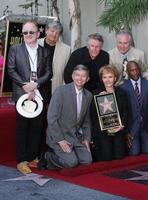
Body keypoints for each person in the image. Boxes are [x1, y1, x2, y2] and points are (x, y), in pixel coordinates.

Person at [7, 20, 52, 174]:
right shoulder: (15, 49)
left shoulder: (45, 52)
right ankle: (21, 160)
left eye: (31, 32)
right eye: (25, 32)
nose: (28, 35)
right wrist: (25, 86)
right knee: (22, 128)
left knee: (37, 128)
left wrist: (36, 85)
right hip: (22, 94)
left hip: (39, 94)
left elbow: (48, 72)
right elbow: (11, 70)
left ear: (38, 34)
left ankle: (33, 158)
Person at [38, 65, 93, 170]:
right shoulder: (61, 91)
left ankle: (71, 153)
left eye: (83, 76)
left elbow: (86, 121)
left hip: (75, 137)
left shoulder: (88, 95)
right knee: (71, 163)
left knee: (87, 161)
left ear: (87, 78)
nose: (80, 78)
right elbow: (51, 118)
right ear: (72, 76)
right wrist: (60, 140)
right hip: (59, 135)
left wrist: (86, 139)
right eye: (77, 75)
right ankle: (47, 157)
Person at [90, 64, 128, 161]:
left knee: (119, 156)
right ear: (101, 79)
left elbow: (125, 112)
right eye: (104, 77)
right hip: (102, 131)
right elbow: (93, 116)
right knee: (106, 157)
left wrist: (121, 125)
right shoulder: (96, 93)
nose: (107, 80)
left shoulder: (121, 93)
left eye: (110, 77)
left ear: (115, 78)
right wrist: (99, 101)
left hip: (118, 129)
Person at [121, 61, 148, 156]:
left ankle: (142, 142)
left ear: (140, 70)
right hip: (132, 127)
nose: (135, 72)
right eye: (132, 70)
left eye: (137, 69)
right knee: (134, 152)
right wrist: (126, 132)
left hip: (146, 127)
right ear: (128, 72)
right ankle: (135, 143)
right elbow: (123, 112)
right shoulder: (123, 87)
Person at [38, 20, 71, 95]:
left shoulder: (66, 49)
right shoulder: (36, 44)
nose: (54, 34)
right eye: (52, 31)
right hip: (38, 86)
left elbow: (67, 71)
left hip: (57, 86)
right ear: (46, 30)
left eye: (57, 33)